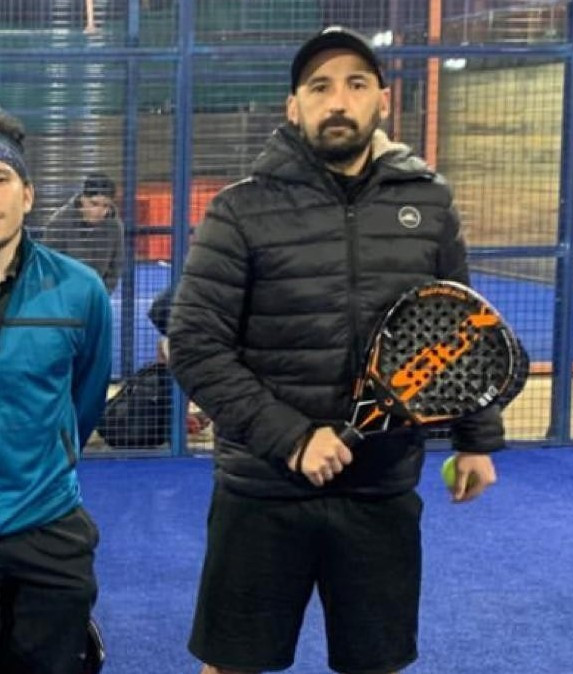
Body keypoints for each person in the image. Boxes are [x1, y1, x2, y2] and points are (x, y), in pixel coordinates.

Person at [168, 26, 505, 674]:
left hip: (380, 484)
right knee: (232, 663)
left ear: (383, 99)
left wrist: (476, 438)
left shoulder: (429, 203)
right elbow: (194, 343)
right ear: (293, 107)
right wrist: (293, 438)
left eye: (355, 84)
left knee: (375, 663)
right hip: (264, 487)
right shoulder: (239, 210)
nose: (338, 101)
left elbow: (462, 326)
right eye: (319, 87)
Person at [0, 109, 112, 673]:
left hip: (47, 525)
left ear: (28, 195)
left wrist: (55, 454)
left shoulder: (80, 290)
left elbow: (86, 399)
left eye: (0, 178)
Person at [42, 172, 124, 294]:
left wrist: (101, 296)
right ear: (82, 199)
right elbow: (47, 269)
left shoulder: (114, 227)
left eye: (106, 206)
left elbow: (114, 269)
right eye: (94, 204)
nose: (100, 211)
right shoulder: (59, 223)